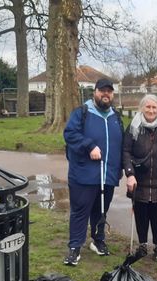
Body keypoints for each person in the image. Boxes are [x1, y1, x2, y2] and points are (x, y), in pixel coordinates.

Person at [62, 78, 124, 266]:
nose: (106, 94)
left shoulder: (116, 116)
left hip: (108, 175)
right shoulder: (82, 112)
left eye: (109, 92)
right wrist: (89, 146)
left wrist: (120, 167)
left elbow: (121, 144)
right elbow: (70, 134)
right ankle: (75, 247)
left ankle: (98, 241)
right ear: (95, 92)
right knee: (80, 211)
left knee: (101, 210)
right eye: (102, 91)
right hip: (83, 174)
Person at [123, 94, 157, 260]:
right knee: (141, 214)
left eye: (154, 107)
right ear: (142, 108)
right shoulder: (133, 128)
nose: (151, 110)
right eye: (148, 107)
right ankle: (142, 245)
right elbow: (125, 152)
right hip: (139, 180)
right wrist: (130, 174)